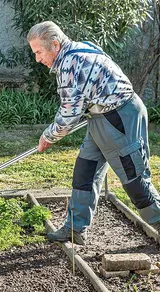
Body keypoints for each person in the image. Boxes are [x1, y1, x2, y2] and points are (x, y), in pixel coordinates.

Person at [27, 20, 160, 245]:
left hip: (119, 117)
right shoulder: (78, 48)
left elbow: (69, 115)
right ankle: (75, 228)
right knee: (85, 171)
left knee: (133, 178)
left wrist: (47, 137)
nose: (38, 58)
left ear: (55, 45)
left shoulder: (70, 63)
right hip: (99, 116)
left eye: (39, 52)